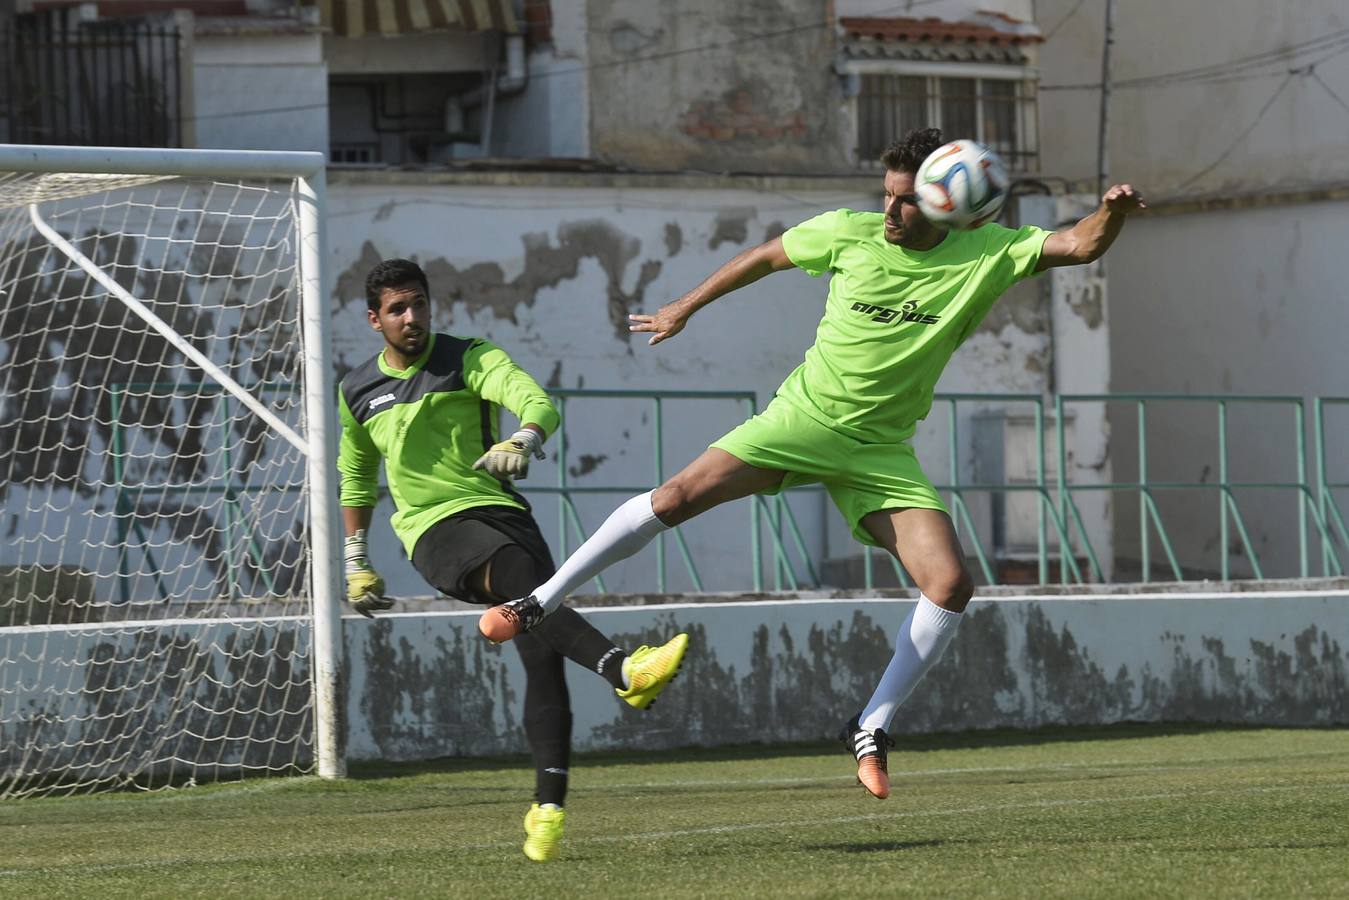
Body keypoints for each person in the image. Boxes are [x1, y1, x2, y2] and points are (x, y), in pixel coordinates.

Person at [478, 129, 1146, 799]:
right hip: (801, 422)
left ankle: (869, 726)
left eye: (906, 201)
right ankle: (538, 601)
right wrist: (684, 306)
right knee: (676, 496)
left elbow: (1080, 243)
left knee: (949, 585)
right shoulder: (847, 233)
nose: (889, 212)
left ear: (951, 207)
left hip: (881, 450)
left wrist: (1110, 209)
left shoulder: (989, 251)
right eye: (886, 197)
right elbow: (765, 256)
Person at [337, 258, 689, 860]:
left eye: (419, 304)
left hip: (503, 517)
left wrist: (523, 436)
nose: (412, 317)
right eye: (398, 309)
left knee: (544, 658)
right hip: (433, 532)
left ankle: (547, 811)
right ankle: (622, 670)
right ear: (375, 320)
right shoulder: (356, 391)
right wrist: (354, 558)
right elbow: (356, 475)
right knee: (527, 587)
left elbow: (531, 397)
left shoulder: (467, 356)